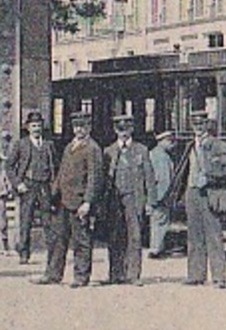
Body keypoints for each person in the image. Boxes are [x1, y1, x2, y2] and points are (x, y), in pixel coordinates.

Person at [38, 111, 102, 288]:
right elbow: (61, 173)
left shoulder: (92, 148)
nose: (78, 130)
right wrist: (53, 194)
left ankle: (81, 277)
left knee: (81, 240)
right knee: (58, 240)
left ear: (89, 127)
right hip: (63, 201)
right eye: (76, 126)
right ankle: (52, 274)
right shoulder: (69, 147)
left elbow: (94, 178)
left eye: (82, 126)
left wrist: (88, 202)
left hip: (79, 202)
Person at [183, 112, 226, 289]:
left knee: (213, 235)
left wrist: (210, 177)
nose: (198, 126)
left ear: (207, 125)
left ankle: (219, 277)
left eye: (201, 123)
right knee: (194, 235)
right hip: (192, 192)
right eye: (195, 123)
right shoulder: (190, 145)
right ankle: (196, 275)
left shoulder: (218, 145)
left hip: (210, 192)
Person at [103, 113, 155, 285]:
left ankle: (134, 275)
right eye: (120, 129)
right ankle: (115, 274)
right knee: (115, 236)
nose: (123, 133)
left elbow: (149, 177)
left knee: (135, 236)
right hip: (114, 201)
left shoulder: (141, 150)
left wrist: (150, 202)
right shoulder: (109, 151)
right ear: (115, 130)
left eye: (126, 129)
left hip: (135, 198)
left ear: (132, 130)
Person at [6, 110, 56, 264]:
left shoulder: (49, 145)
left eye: (39, 125)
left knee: (48, 220)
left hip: (45, 185)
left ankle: (52, 253)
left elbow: (55, 166)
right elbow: (9, 166)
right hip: (28, 185)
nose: (36, 129)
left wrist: (54, 186)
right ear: (28, 127)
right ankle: (24, 252)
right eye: (33, 126)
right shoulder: (21, 144)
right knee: (25, 220)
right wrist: (18, 183)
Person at [147, 130, 177, 258]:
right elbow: (163, 179)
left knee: (158, 221)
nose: (172, 144)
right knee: (160, 222)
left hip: (159, 195)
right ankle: (156, 249)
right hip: (161, 195)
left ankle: (157, 247)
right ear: (161, 141)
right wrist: (164, 197)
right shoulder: (160, 156)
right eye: (169, 141)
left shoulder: (157, 154)